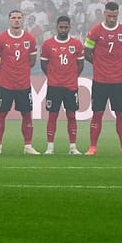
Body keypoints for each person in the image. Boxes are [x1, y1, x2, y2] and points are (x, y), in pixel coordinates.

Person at [83, 1, 122, 156]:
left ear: (118, 14)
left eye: (114, 16)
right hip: (100, 81)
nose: (112, 19)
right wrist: (99, 64)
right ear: (104, 13)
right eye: (109, 15)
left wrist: (117, 64)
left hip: (119, 81)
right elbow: (87, 53)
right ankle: (92, 147)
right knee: (97, 113)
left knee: (121, 114)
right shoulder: (95, 32)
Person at [0, 10, 38, 153]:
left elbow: (32, 61)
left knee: (27, 114)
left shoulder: (30, 39)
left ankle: (28, 146)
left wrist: (20, 71)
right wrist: (6, 71)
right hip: (6, 84)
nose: (16, 20)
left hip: (23, 84)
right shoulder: (0, 39)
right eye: (13, 18)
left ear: (22, 20)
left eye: (19, 18)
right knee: (1, 113)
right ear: (9, 20)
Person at [39, 16, 85, 154]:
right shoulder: (48, 44)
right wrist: (53, 76)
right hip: (54, 86)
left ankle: (72, 147)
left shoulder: (76, 44)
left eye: (66, 27)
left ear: (69, 27)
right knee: (52, 115)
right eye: (61, 27)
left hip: (71, 86)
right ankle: (50, 147)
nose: (63, 30)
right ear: (57, 27)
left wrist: (71, 77)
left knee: (71, 115)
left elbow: (80, 65)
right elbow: (43, 64)